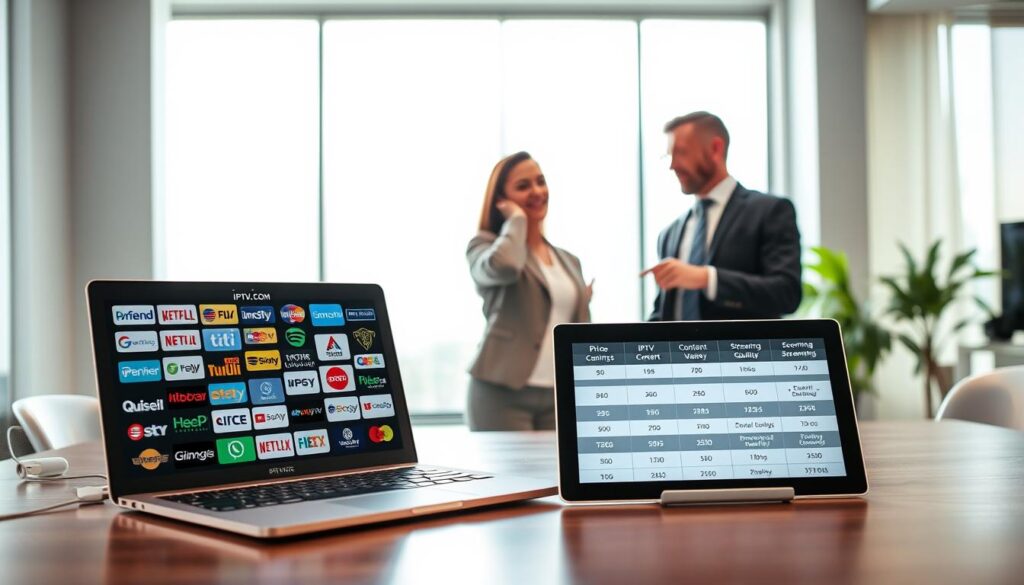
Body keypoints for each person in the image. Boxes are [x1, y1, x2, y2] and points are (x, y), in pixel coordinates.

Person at [466, 151, 591, 431]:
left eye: (540, 181)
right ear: (501, 200)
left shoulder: (569, 261)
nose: (537, 191)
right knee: (508, 477)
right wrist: (517, 221)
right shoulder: (484, 247)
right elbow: (507, 267)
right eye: (523, 186)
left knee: (556, 475)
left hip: (558, 395)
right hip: (502, 392)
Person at [643, 111, 801, 321]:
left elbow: (786, 293)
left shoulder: (769, 212)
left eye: (681, 153)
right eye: (669, 156)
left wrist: (707, 278)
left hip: (742, 353)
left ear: (715, 149)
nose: (673, 165)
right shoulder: (669, 234)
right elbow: (664, 313)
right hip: (679, 354)